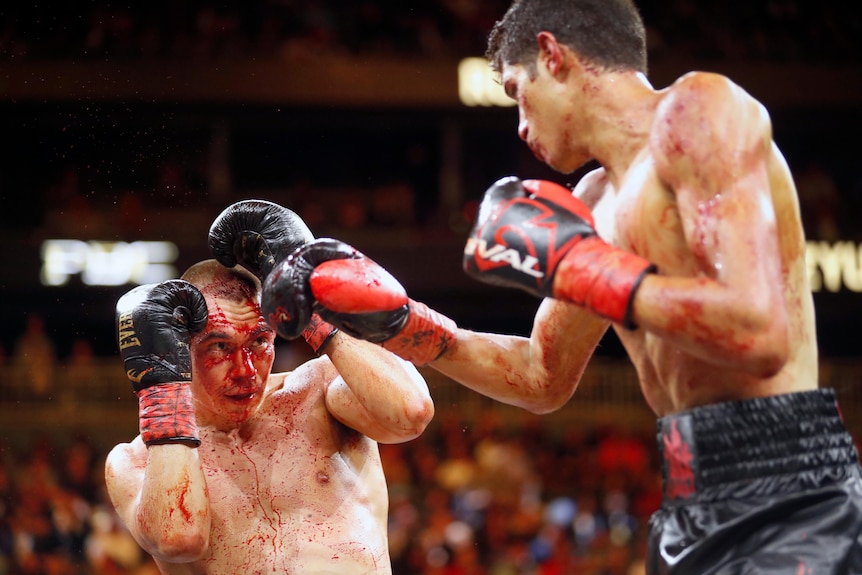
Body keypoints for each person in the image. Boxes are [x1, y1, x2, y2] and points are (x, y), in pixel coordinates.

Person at [245, 1, 862, 573]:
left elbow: (759, 333)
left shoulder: (700, 112)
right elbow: (542, 376)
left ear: (552, 55)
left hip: (786, 477)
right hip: (688, 485)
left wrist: (585, 270)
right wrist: (413, 328)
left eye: (518, 92)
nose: (519, 124)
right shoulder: (592, 204)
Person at [104, 201, 434, 575]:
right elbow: (178, 539)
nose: (245, 371)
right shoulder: (135, 462)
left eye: (260, 342)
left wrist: (315, 305)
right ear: (180, 350)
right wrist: (163, 393)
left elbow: (411, 412)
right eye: (219, 347)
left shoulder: (319, 390)